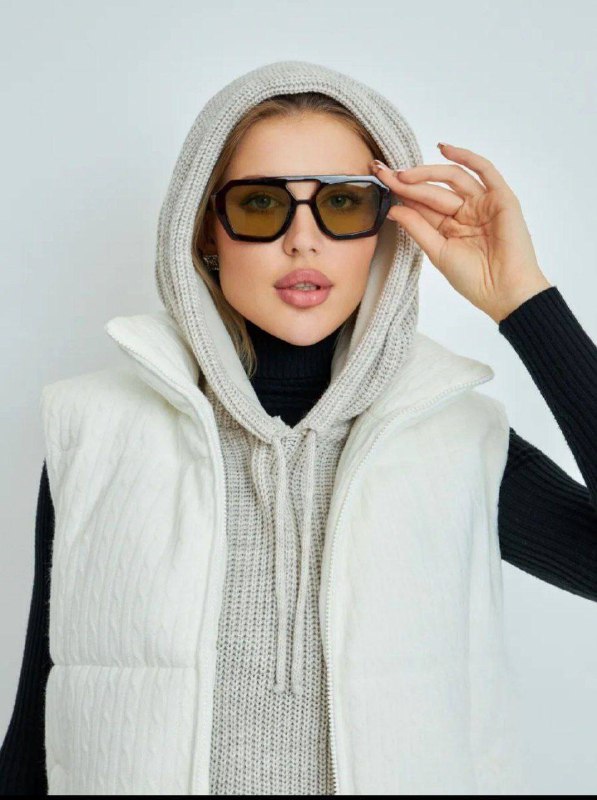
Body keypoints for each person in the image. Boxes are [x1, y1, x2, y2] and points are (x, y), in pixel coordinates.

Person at [1, 59, 596, 796]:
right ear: (206, 231)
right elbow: (39, 724)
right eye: (260, 204)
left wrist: (524, 302)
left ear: (386, 227)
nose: (303, 241)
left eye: (343, 203)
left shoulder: (453, 437)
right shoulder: (97, 431)